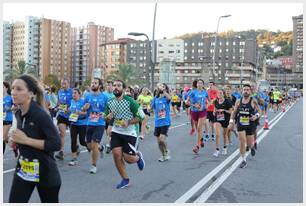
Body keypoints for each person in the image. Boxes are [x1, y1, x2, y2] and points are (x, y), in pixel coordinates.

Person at [8, 74, 61, 203]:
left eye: (19, 89)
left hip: (45, 172)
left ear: (31, 93)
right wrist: (15, 141)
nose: (13, 92)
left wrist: (25, 140)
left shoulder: (40, 115)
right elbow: (25, 135)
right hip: (24, 168)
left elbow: (56, 144)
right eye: (13, 88)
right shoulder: (18, 113)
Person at [104, 79, 145, 189]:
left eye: (119, 85)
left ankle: (138, 157)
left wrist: (129, 122)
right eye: (114, 85)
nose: (116, 87)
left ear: (124, 89)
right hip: (116, 131)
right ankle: (125, 179)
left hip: (130, 132)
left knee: (128, 159)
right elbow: (107, 116)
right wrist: (107, 119)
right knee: (116, 155)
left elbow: (142, 116)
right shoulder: (110, 101)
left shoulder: (130, 101)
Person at [228, 84, 260, 169]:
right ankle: (243, 160)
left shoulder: (253, 101)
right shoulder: (238, 101)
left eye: (247, 90)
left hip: (250, 124)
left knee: (249, 144)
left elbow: (259, 111)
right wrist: (231, 122)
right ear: (242, 91)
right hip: (241, 123)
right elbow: (234, 112)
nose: (246, 91)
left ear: (250, 91)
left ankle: (252, 146)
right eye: (244, 89)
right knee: (242, 142)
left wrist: (256, 116)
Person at [83, 78, 109, 174]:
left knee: (94, 145)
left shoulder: (105, 97)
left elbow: (109, 109)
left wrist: (105, 114)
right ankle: (101, 148)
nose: (93, 84)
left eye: (95, 83)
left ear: (100, 86)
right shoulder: (87, 96)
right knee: (89, 146)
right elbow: (84, 108)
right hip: (89, 123)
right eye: (92, 83)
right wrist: (84, 108)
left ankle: (93, 165)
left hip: (100, 124)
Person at [186, 79, 210, 154]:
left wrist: (207, 105)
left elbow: (209, 100)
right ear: (196, 85)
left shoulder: (205, 92)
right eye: (198, 83)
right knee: (197, 129)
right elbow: (187, 101)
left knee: (199, 128)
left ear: (203, 84)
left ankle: (197, 146)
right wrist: (194, 105)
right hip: (194, 112)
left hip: (202, 112)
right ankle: (201, 139)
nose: (199, 84)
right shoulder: (193, 92)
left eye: (201, 83)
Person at [67, 88, 88, 166]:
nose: (73, 95)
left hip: (82, 123)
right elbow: (71, 109)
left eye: (75, 93)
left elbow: (87, 113)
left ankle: (89, 146)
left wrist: (80, 112)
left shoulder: (83, 101)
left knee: (82, 141)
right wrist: (67, 110)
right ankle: (74, 158)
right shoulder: (72, 101)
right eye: (73, 93)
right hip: (73, 123)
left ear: (79, 94)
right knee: (73, 141)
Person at [152, 83, 172, 162]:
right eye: (159, 86)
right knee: (159, 142)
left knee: (161, 139)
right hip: (157, 122)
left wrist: (164, 91)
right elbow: (151, 108)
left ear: (165, 89)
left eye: (163, 87)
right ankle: (163, 155)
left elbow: (169, 98)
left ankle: (166, 150)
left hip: (165, 121)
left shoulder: (166, 98)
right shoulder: (155, 98)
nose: (160, 88)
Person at [55, 78, 73, 160]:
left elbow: (75, 102)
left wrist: (69, 108)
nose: (63, 85)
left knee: (74, 134)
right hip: (62, 115)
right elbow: (59, 102)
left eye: (65, 83)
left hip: (71, 115)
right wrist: (57, 107)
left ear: (68, 84)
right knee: (62, 133)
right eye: (62, 83)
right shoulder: (59, 92)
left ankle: (75, 146)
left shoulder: (72, 91)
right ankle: (61, 152)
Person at [212, 89, 233, 157]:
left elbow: (231, 112)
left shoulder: (228, 101)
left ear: (223, 94)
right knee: (217, 134)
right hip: (217, 119)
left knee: (224, 135)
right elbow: (214, 109)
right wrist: (214, 112)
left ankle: (224, 148)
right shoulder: (215, 101)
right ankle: (217, 150)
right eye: (218, 93)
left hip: (226, 119)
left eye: (221, 93)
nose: (219, 94)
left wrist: (223, 110)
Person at [102, 80, 115, 154]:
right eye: (108, 85)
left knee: (110, 130)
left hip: (113, 115)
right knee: (107, 130)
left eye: (110, 85)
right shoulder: (103, 94)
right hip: (105, 114)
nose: (109, 87)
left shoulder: (115, 94)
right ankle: (110, 142)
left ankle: (108, 145)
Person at [3, 82, 14, 154]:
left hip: (8, 120)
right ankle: (14, 146)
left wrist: (9, 108)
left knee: (3, 138)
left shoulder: (10, 97)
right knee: (5, 138)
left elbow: (16, 106)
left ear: (6, 88)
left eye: (2, 87)